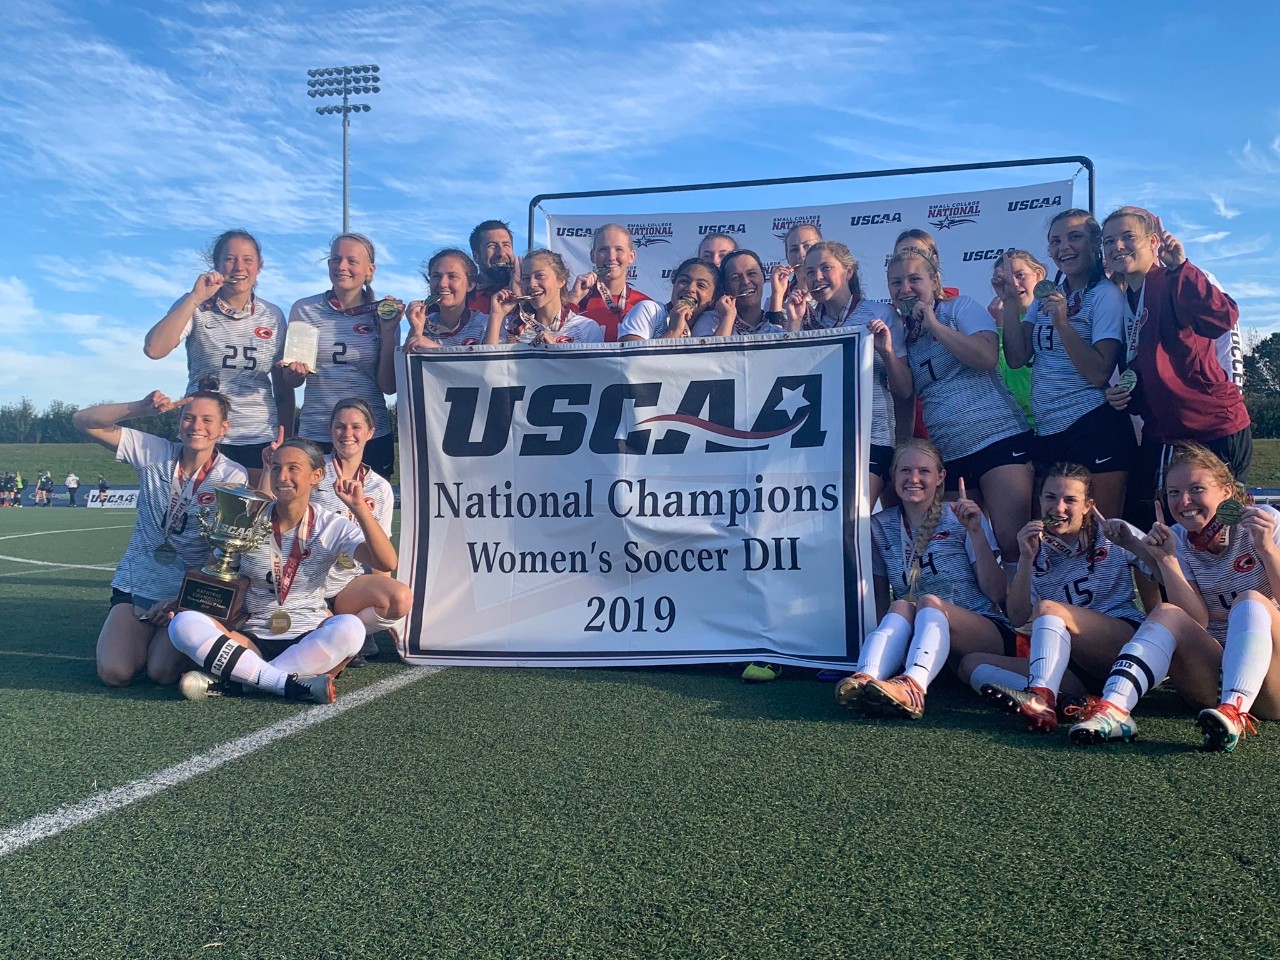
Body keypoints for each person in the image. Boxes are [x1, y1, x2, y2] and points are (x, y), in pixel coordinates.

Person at [1069, 444, 1280, 751]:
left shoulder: (1265, 522)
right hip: (1212, 677)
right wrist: (1167, 561)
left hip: (1272, 681)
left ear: (1226, 491)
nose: (1184, 502)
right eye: (1173, 493)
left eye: (1196, 489)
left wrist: (1267, 549)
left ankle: (1235, 711)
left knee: (1249, 599)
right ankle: (1114, 710)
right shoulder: (1177, 537)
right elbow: (1198, 620)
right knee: (1166, 611)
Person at [168, 438, 402, 704]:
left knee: (350, 628)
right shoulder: (249, 518)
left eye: (293, 468)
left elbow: (386, 562)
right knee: (182, 625)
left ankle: (242, 683)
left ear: (316, 476)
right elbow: (216, 572)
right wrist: (183, 603)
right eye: (277, 468)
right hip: (250, 637)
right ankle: (287, 683)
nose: (283, 477)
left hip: (309, 636)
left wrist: (359, 508)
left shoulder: (331, 525)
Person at [72, 390, 248, 687]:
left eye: (207, 420)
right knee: (115, 673)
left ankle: (185, 635)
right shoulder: (153, 450)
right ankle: (142, 637)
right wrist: (141, 407)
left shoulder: (233, 475)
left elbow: (222, 551)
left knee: (161, 672)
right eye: (189, 418)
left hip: (186, 596)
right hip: (136, 585)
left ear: (223, 428)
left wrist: (182, 601)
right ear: (178, 421)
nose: (196, 426)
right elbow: (82, 421)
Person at [965, 463, 1152, 732]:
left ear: (1088, 505)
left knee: (1049, 609)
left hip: (1120, 644)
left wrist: (1134, 544)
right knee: (971, 665)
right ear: (1040, 500)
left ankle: (1040, 699)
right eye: (1050, 498)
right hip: (1074, 664)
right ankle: (1072, 701)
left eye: (1070, 500)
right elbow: (1017, 618)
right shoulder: (1034, 545)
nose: (1059, 508)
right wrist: (1026, 559)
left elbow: (1161, 571)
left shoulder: (1112, 532)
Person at [1100, 206, 1252, 531]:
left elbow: (1222, 318)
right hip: (1165, 431)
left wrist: (1182, 266)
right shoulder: (1124, 297)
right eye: (1109, 241)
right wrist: (1124, 394)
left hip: (1213, 427)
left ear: (1153, 241)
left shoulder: (1174, 279)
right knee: (1147, 524)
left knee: (1220, 532)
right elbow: (1147, 369)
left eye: (1128, 237)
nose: (1117, 247)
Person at [835, 440, 1011, 719]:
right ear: (893, 477)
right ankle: (866, 677)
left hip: (983, 632)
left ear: (940, 477)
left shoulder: (960, 516)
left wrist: (976, 531)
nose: (913, 479)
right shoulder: (880, 526)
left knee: (928, 602)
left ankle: (912, 687)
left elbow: (997, 593)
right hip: (927, 643)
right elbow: (881, 600)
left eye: (923, 471)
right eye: (905, 471)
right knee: (900, 606)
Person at [886, 246, 1034, 576]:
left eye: (914, 279)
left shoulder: (960, 307)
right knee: (961, 545)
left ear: (934, 281)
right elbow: (906, 394)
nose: (905, 289)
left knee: (1011, 542)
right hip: (950, 453)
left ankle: (1024, 622)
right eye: (896, 283)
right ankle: (986, 620)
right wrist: (900, 448)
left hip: (998, 439)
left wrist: (935, 325)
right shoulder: (902, 333)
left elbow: (986, 358)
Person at [1002, 209, 1134, 519]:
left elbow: (1100, 372)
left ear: (1095, 244)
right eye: (1055, 241)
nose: (1064, 247)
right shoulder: (1047, 295)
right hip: (1048, 430)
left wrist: (1063, 323)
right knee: (1052, 535)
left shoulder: (1106, 296)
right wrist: (1010, 300)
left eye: (1074, 237)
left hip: (1093, 425)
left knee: (1103, 537)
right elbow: (1017, 357)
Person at [143, 229, 292, 480]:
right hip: (203, 433)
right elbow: (154, 349)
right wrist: (195, 297)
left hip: (257, 436)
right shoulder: (195, 305)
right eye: (230, 259)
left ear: (259, 266)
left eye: (247, 260)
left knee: (254, 517)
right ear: (217, 265)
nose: (238, 267)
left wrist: (286, 436)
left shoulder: (273, 315)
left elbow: (282, 386)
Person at [790, 241, 913, 507]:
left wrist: (887, 352)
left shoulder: (881, 314)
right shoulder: (807, 321)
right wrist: (795, 325)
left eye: (826, 268)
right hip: (820, 442)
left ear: (848, 272)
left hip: (871, 437)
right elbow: (793, 379)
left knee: (851, 517)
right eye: (809, 272)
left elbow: (904, 389)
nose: (817, 277)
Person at [281, 233, 401, 480]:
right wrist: (293, 372)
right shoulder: (304, 309)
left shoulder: (383, 313)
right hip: (317, 431)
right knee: (313, 515)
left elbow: (389, 387)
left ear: (370, 270)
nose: (342, 266)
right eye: (336, 259)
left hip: (368, 434)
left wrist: (388, 331)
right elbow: (292, 381)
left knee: (369, 514)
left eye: (351, 261)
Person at [308, 398, 411, 665]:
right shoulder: (314, 473)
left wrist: (388, 615)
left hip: (348, 588)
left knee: (398, 597)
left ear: (370, 432)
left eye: (356, 426)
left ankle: (351, 630)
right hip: (306, 582)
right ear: (331, 431)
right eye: (340, 426)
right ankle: (339, 634)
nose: (347, 434)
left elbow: (381, 556)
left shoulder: (380, 487)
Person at [485, 250, 603, 345]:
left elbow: (590, 374)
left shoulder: (586, 328)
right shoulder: (510, 327)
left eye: (540, 276)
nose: (532, 284)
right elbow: (487, 368)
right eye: (526, 278)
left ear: (561, 280)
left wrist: (554, 354)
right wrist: (496, 315)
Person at [985, 249, 1042, 427]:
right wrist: (1000, 327)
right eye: (1007, 279)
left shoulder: (1054, 314)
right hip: (1018, 425)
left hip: (1054, 416)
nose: (1014, 284)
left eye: (1020, 275)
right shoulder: (989, 326)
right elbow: (1003, 375)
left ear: (1038, 275)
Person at [566, 224, 652, 341]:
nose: (611, 257)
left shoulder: (644, 305)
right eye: (603, 249)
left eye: (619, 249)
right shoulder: (577, 302)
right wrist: (572, 299)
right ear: (593, 255)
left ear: (631, 257)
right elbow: (552, 336)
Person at [403, 249, 489, 352]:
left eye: (452, 276)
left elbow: (485, 366)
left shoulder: (484, 324)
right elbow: (408, 366)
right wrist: (416, 331)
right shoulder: (423, 324)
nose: (442, 284)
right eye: (436, 276)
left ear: (470, 284)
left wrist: (437, 349)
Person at [618, 258, 722, 341]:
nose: (690, 289)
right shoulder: (649, 310)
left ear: (713, 298)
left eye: (701, 285)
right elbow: (630, 361)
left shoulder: (711, 324)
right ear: (674, 283)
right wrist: (674, 331)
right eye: (684, 281)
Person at [467, 220, 518, 313]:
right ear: (476, 256)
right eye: (492, 246)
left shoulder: (530, 288)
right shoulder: (463, 297)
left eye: (506, 245)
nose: (501, 253)